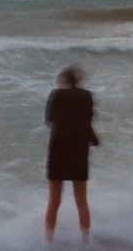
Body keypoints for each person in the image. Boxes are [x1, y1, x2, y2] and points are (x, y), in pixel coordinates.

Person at [44, 64, 100, 245]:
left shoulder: (56, 95)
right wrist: (94, 140)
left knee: (54, 202)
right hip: (78, 152)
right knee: (81, 201)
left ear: (64, 80)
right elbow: (88, 123)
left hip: (58, 151)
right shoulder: (86, 96)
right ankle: (86, 242)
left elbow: (50, 120)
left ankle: (48, 243)